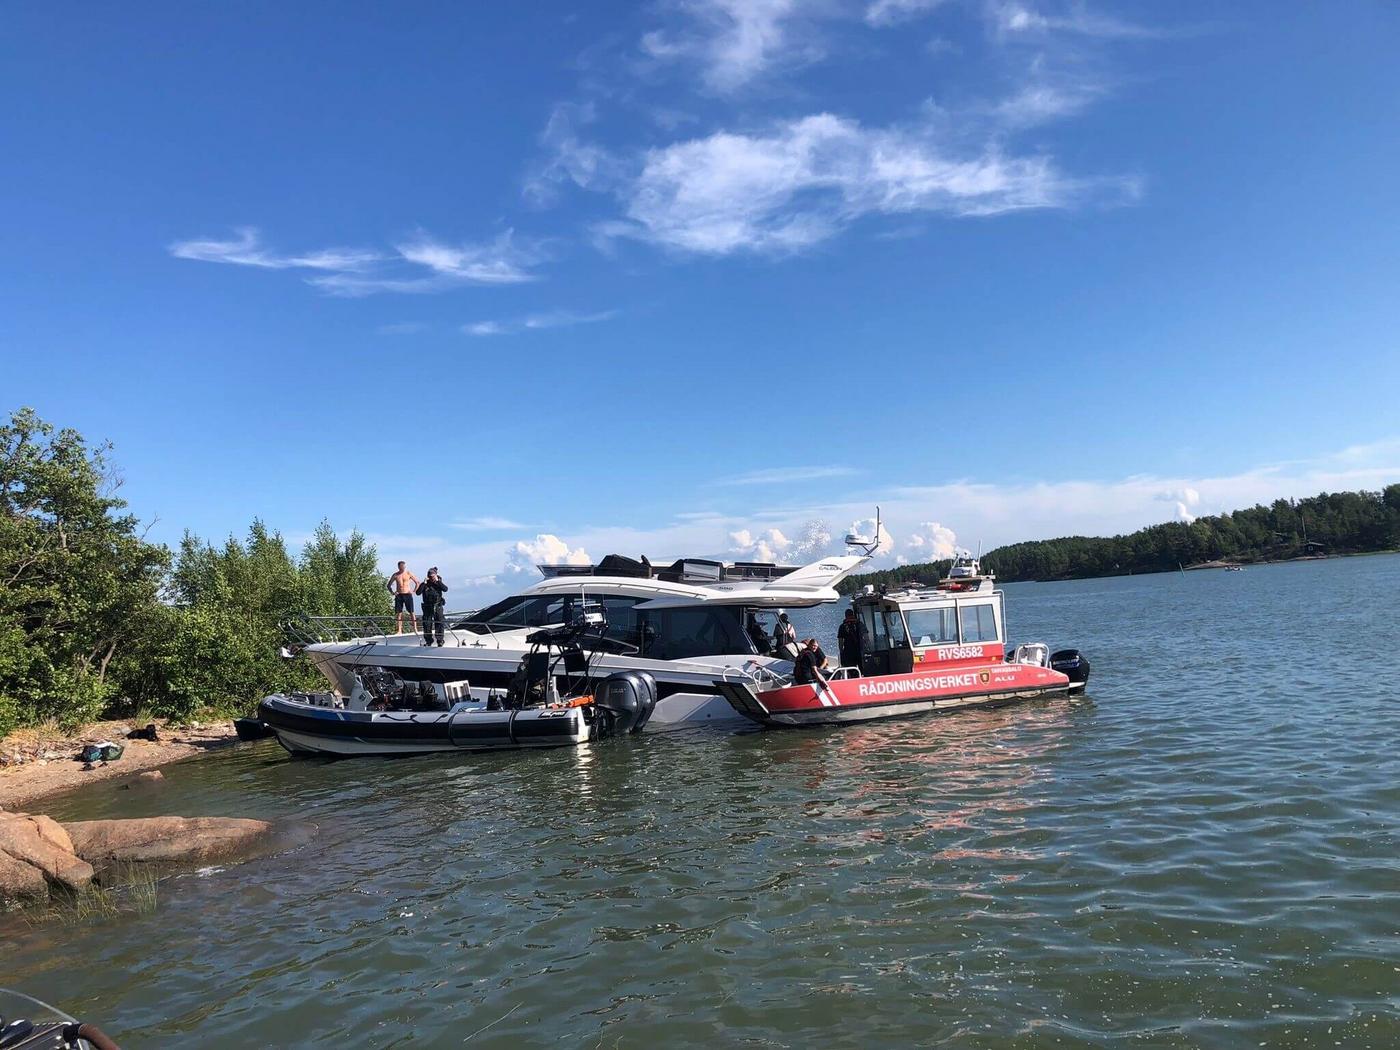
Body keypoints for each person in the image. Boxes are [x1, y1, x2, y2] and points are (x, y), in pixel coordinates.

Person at [416, 567, 449, 646]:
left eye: (433, 576)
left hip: (437, 605)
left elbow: (445, 589)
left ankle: (440, 640)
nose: (431, 578)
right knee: (427, 624)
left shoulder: (438, 583)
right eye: (430, 576)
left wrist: (437, 581)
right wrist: (423, 583)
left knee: (439, 622)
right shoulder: (425, 584)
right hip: (427, 606)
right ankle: (428, 641)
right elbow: (418, 593)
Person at [387, 561, 419, 634]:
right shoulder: (395, 575)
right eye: (401, 566)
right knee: (399, 613)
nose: (402, 568)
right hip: (399, 595)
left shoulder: (408, 573)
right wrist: (393, 592)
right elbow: (388, 585)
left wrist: (413, 591)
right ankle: (399, 630)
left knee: (411, 612)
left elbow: (417, 582)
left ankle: (415, 629)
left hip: (407, 594)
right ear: (398, 567)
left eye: (403, 566)